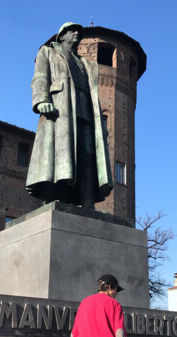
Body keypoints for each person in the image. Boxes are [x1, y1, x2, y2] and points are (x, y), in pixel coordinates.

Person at [26, 22, 113, 210]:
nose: (76, 34)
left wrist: (102, 127)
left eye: (78, 32)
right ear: (62, 36)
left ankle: (88, 202)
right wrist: (42, 100)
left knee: (88, 155)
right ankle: (54, 197)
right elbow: (40, 77)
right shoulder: (48, 52)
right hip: (61, 111)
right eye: (72, 31)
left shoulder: (86, 64)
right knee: (60, 153)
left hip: (87, 113)